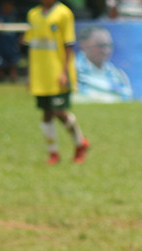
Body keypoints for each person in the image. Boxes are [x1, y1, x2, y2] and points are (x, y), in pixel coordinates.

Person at [24, 0, 89, 164]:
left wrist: (64, 71)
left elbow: (69, 44)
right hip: (41, 75)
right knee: (46, 113)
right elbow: (32, 45)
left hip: (58, 73)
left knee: (59, 111)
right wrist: (30, 73)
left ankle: (80, 143)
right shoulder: (33, 14)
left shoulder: (63, 13)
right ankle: (53, 153)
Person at [76, 25, 133, 101]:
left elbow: (128, 101)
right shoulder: (71, 72)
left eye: (109, 46)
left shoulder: (118, 75)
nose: (106, 50)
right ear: (83, 45)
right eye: (101, 46)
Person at [0, 0, 21, 83]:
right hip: (0, 44)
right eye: (5, 4)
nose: (7, 6)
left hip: (12, 44)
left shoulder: (15, 17)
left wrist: (20, 41)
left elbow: (21, 31)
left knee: (13, 63)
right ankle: (0, 80)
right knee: (0, 64)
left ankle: (13, 79)